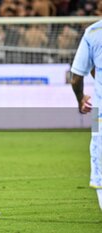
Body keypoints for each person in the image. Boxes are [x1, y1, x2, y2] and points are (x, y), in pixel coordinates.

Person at [71, 19, 102, 211]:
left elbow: (76, 78)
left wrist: (80, 98)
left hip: (99, 112)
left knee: (98, 156)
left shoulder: (93, 32)